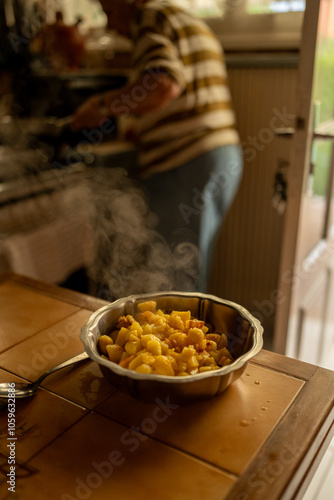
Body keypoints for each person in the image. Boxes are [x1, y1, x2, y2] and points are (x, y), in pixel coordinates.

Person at [72, 0, 243, 292]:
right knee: (190, 269)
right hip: (222, 155)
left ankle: (176, 339)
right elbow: (185, 92)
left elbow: (163, 84)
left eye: (109, 11)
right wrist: (144, 128)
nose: (110, 24)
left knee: (174, 279)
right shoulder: (184, 19)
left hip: (185, 161)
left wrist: (101, 106)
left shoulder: (149, 17)